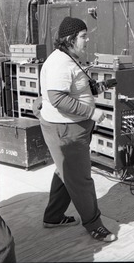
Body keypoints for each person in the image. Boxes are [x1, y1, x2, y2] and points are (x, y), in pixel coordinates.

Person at [38, 16, 117, 242]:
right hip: (66, 131)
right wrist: (91, 113)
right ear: (70, 39)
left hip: (71, 129)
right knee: (81, 179)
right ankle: (94, 224)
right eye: (83, 36)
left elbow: (79, 89)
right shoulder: (60, 62)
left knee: (65, 172)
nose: (87, 39)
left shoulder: (70, 58)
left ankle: (53, 216)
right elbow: (58, 98)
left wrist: (103, 86)